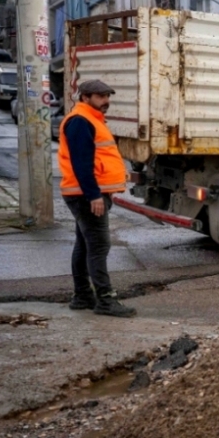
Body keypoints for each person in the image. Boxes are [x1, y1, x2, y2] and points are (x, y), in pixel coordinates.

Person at [57, 79, 135, 317]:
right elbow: (82, 164)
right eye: (100, 97)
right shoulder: (80, 121)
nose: (106, 101)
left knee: (85, 245)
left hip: (85, 193)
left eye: (107, 96)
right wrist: (94, 195)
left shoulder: (89, 120)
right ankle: (105, 300)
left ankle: (82, 296)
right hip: (86, 195)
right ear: (85, 97)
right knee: (99, 245)